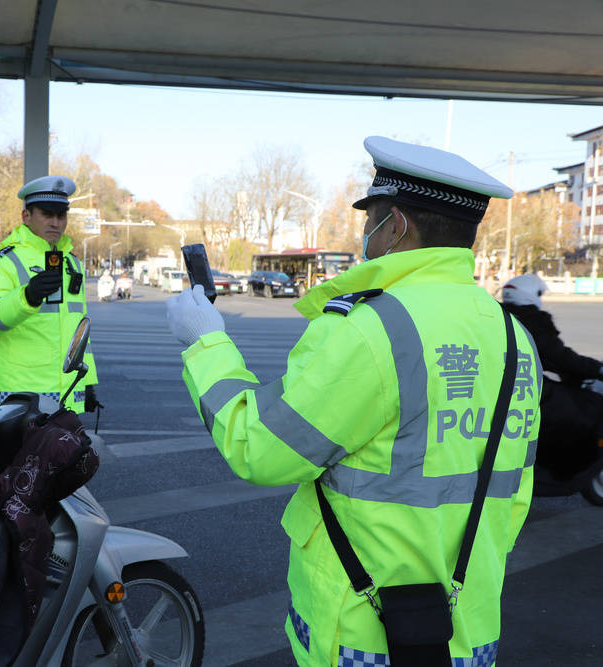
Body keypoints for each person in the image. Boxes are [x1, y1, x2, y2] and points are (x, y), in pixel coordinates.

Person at [166, 136, 541, 666]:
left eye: (371, 218)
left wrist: (204, 342)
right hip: (470, 623)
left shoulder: (373, 329)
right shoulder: (513, 336)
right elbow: (515, 495)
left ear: (396, 227)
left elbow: (261, 448)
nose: (365, 231)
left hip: (365, 632)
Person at [0, 175, 100, 413]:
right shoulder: (4, 262)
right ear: (26, 216)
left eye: (61, 215)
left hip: (68, 393)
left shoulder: (72, 264)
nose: (55, 222)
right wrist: (27, 297)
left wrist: (88, 381)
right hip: (20, 396)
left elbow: (81, 333)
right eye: (47, 214)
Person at [501, 273, 603, 480]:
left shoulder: (501, 315)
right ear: (533, 295)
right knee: (586, 408)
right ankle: (563, 471)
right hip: (524, 390)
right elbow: (561, 358)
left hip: (505, 385)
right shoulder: (533, 321)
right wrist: (598, 369)